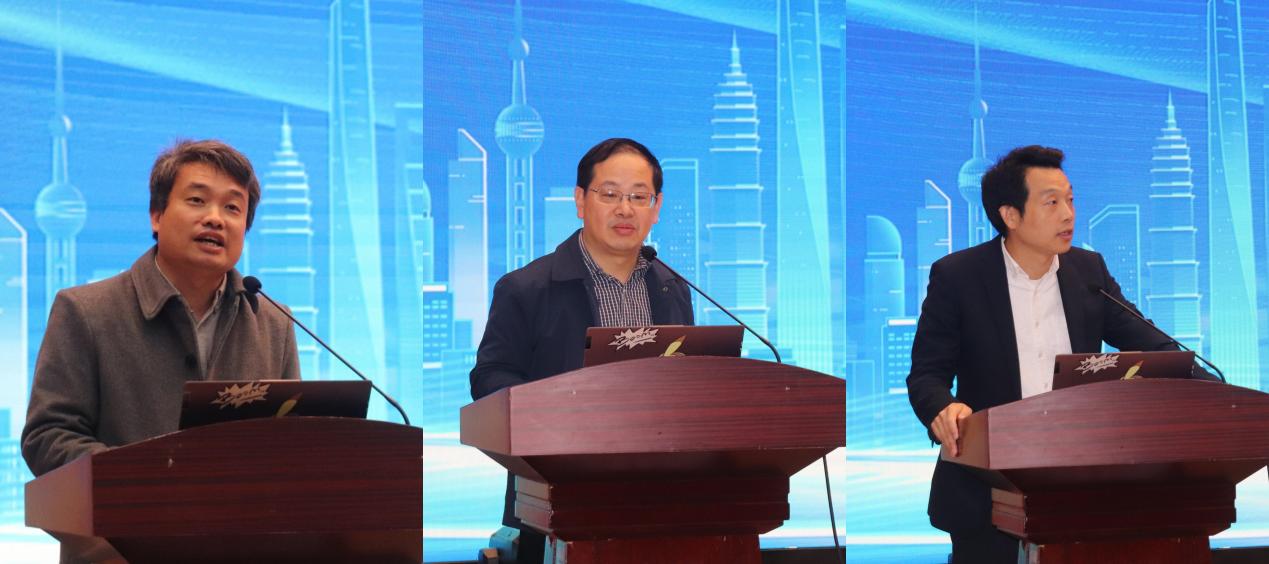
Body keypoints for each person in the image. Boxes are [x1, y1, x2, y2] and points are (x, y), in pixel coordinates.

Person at [905, 145, 1204, 563]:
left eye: (1071, 200)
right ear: (1010, 215)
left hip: (1079, 488)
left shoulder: (1088, 272)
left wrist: (1218, 394)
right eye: (1051, 203)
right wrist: (943, 408)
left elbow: (1155, 346)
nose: (1068, 214)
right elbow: (926, 375)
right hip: (987, 489)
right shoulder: (959, 276)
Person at [470, 137, 694, 562]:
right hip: (554, 502)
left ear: (656, 207)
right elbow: (489, 378)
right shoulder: (526, 289)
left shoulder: (673, 288)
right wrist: (555, 410)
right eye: (609, 194)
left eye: (639, 197)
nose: (625, 209)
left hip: (662, 502)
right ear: (580, 200)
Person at [23, 139, 300, 482]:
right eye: (197, 200)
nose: (215, 219)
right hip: (123, 516)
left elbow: (290, 443)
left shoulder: (274, 324)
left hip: (241, 518)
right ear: (157, 215)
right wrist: (146, 480)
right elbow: (48, 436)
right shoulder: (85, 312)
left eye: (232, 207)